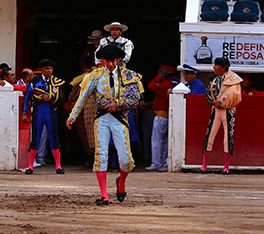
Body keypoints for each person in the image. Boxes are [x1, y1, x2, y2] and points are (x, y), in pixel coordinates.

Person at [67, 44, 141, 205]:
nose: (110, 64)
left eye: (113, 61)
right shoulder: (94, 76)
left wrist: (118, 104)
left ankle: (121, 183)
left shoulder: (129, 76)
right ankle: (104, 195)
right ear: (102, 60)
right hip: (101, 118)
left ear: (119, 60)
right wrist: (73, 115)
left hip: (120, 118)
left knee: (126, 159)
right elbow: (83, 97)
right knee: (101, 156)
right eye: (107, 61)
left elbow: (135, 98)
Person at [22, 59, 66, 175]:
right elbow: (27, 97)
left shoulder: (56, 81)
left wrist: (50, 98)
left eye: (51, 68)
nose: (49, 71)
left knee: (54, 137)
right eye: (47, 68)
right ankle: (30, 165)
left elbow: (61, 98)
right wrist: (24, 112)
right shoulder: (35, 81)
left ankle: (58, 166)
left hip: (51, 112)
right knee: (36, 137)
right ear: (41, 70)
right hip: (38, 112)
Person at [200, 57, 242, 174]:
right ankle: (204, 166)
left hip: (228, 110)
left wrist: (222, 103)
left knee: (228, 137)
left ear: (223, 67)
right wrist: (214, 102)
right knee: (210, 134)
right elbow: (208, 93)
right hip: (215, 109)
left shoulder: (234, 79)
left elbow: (234, 95)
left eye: (216, 65)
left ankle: (226, 167)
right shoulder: (213, 79)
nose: (214, 67)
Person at [146, 65, 175, 171]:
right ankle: (163, 163)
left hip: (161, 116)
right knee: (165, 140)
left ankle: (157, 163)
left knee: (157, 140)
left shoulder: (166, 84)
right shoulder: (169, 83)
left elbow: (151, 86)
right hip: (164, 116)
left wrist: (158, 78)